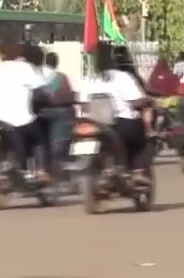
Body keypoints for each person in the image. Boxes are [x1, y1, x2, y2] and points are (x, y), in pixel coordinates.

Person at [80, 42, 151, 183]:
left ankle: (109, 168)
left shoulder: (89, 80)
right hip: (121, 124)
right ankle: (137, 173)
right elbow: (135, 102)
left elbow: (83, 105)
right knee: (140, 138)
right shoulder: (123, 77)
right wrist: (146, 101)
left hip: (95, 125)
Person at [0, 34, 51, 179]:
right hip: (21, 119)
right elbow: (42, 90)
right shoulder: (26, 68)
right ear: (18, 52)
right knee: (40, 139)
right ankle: (41, 170)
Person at [41, 51, 77, 163]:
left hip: (39, 112)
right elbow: (68, 96)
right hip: (58, 111)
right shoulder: (61, 77)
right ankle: (59, 147)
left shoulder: (37, 74)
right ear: (56, 63)